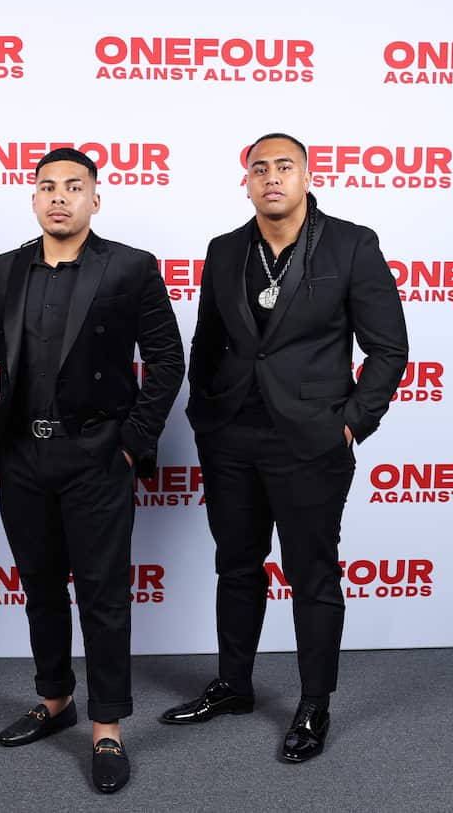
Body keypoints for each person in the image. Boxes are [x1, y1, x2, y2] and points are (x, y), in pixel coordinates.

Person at [161, 133, 407, 763]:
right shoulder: (224, 249)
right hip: (230, 435)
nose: (272, 177)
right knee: (236, 564)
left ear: (307, 176)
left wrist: (351, 423)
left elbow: (388, 349)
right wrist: (204, 413)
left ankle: (314, 703)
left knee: (312, 574)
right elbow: (207, 340)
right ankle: (233, 685)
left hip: (311, 439)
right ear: (246, 182)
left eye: (285, 167)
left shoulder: (352, 244)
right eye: (260, 169)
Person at [0, 147, 185, 793]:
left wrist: (130, 443)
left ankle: (106, 726)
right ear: (34, 198)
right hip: (22, 456)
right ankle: (54, 698)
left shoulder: (130, 266)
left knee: (103, 593)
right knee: (39, 585)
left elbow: (167, 360)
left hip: (97, 454)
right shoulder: (5, 269)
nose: (59, 196)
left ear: (95, 198)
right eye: (47, 186)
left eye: (73, 186)